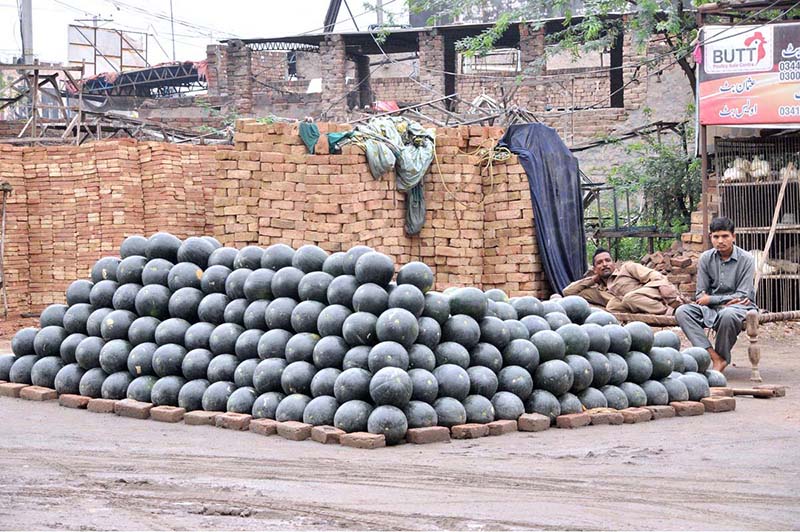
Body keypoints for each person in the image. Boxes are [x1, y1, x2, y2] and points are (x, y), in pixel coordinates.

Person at [675, 216, 756, 372]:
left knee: (728, 314)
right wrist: (717, 300)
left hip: (740, 308)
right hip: (712, 308)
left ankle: (722, 359)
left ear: (733, 237)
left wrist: (711, 299)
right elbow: (700, 294)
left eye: (725, 236)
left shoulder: (746, 259)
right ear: (710, 237)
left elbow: (743, 295)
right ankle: (714, 357)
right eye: (716, 236)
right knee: (682, 311)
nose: (720, 241)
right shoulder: (706, 258)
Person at [563, 248, 684, 315]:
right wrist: (593, 279)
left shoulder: (627, 268)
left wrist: (663, 286)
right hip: (633, 304)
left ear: (613, 263)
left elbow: (653, 274)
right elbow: (568, 292)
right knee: (612, 305)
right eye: (599, 263)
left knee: (628, 298)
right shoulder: (597, 290)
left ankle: (671, 311)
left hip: (654, 295)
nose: (605, 264)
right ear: (594, 269)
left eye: (608, 260)